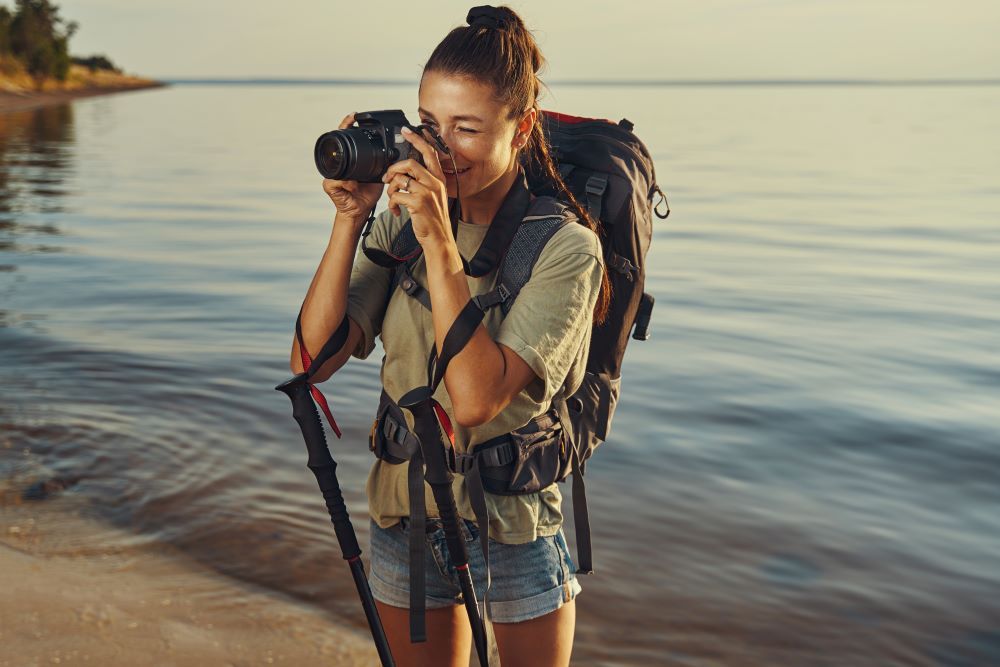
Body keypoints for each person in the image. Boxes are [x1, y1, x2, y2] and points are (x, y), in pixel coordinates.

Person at [290, 6, 609, 666]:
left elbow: (474, 400)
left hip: (515, 524)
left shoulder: (567, 249)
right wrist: (352, 219)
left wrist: (439, 240)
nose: (443, 149)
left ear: (520, 129)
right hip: (405, 509)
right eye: (431, 126)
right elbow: (311, 361)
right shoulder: (399, 225)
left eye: (467, 129)